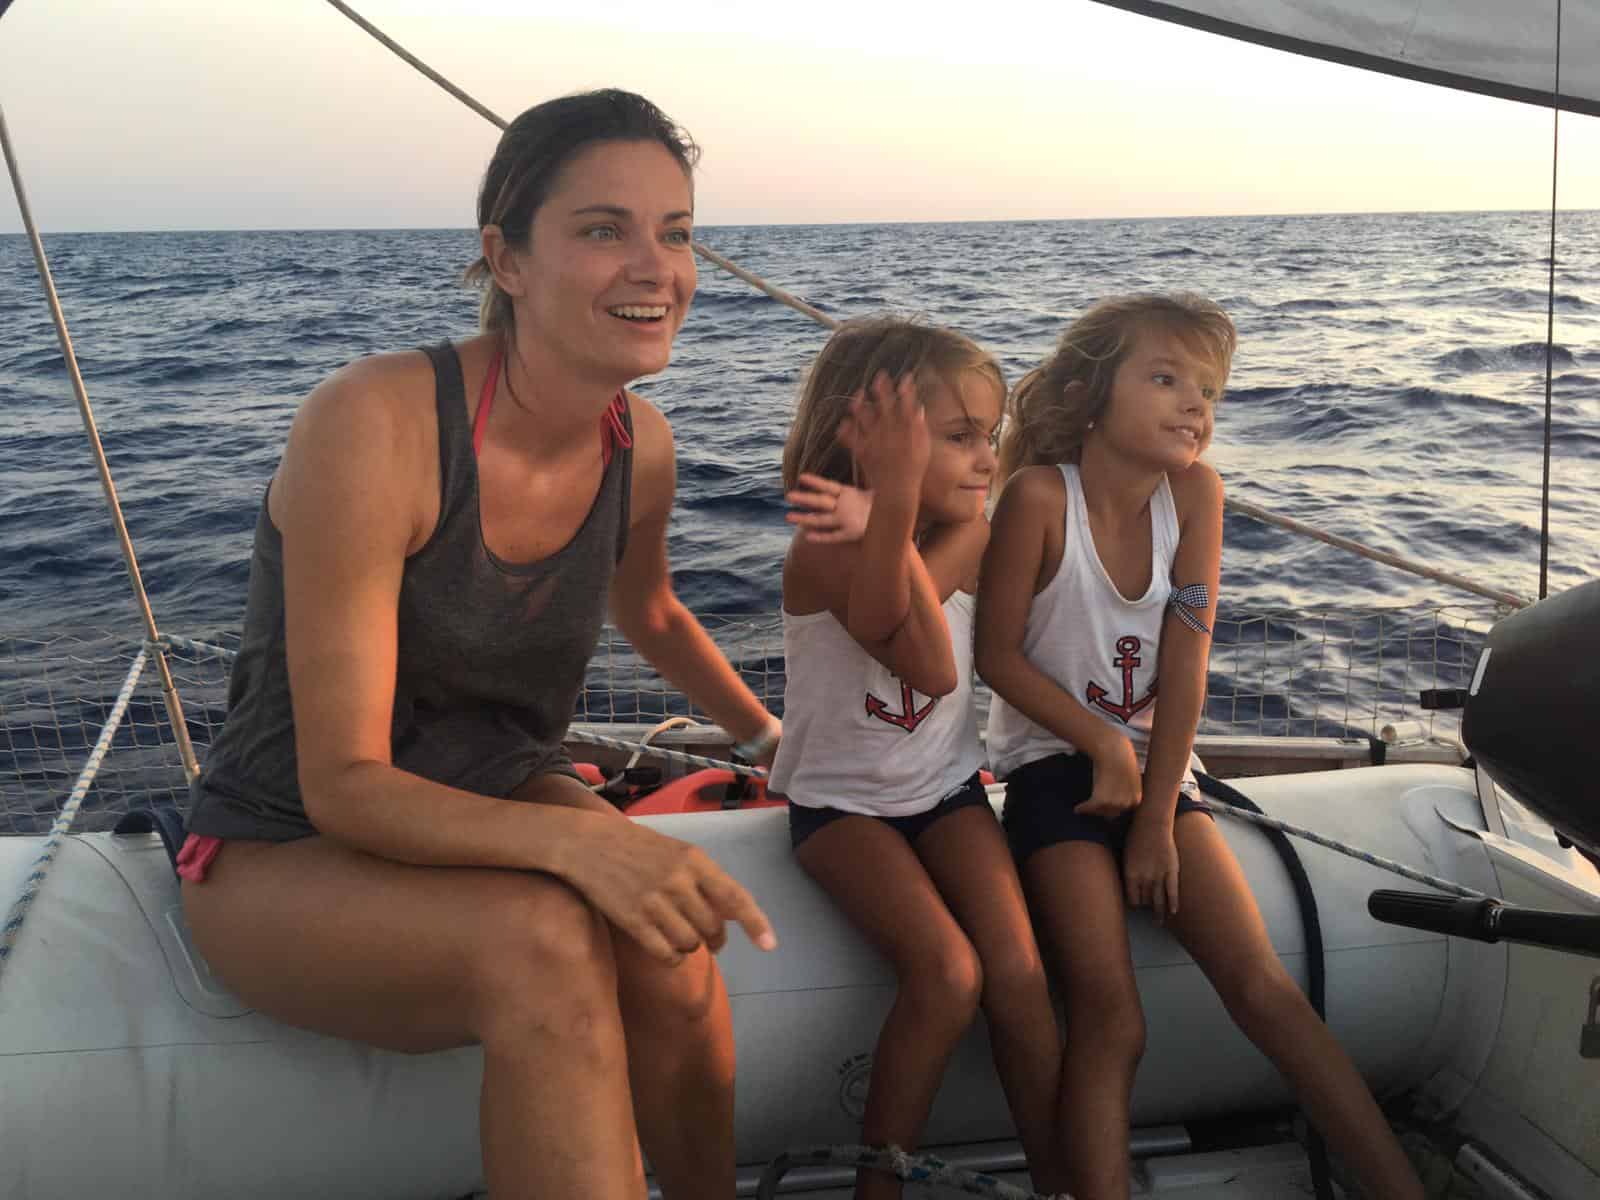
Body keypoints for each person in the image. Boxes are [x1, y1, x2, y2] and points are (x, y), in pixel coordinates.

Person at [178, 89, 782, 1200]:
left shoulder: (640, 446)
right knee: (545, 943)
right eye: (603, 229)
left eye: (676, 232)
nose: (655, 268)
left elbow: (649, 609)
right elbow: (346, 784)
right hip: (285, 839)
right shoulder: (379, 422)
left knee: (675, 948)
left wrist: (768, 739)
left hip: (497, 782)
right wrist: (583, 846)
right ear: (506, 259)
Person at [974, 293, 1424, 1200]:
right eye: (1166, 378)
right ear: (1092, 393)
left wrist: (1154, 818)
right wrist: (1101, 744)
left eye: (1209, 390)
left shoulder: (1196, 497)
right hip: (1052, 771)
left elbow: (1188, 660)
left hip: (1161, 771)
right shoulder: (1038, 499)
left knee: (1265, 990)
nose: (1195, 405)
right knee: (1111, 1018)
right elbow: (996, 656)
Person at [772, 318, 1066, 1200]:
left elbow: (915, 604)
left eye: (991, 434)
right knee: (947, 976)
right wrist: (893, 502)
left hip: (945, 791)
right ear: (871, 441)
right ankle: (879, 1189)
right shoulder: (825, 543)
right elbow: (928, 663)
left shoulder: (967, 531)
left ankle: (1062, 1179)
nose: (986, 458)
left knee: (1018, 975)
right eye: (959, 436)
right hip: (841, 807)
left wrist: (894, 511)